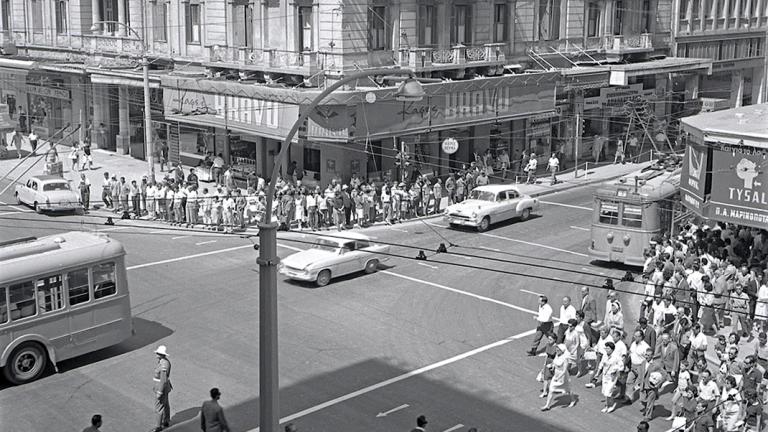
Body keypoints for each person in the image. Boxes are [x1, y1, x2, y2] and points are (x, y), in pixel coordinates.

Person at [541, 343, 577, 410]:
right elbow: (554, 363)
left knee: (568, 389)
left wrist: (558, 378)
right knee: (551, 390)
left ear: (562, 350)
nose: (556, 350)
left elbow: (564, 370)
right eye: (556, 349)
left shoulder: (565, 358)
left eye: (558, 349)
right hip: (556, 375)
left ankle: (573, 400)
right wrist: (552, 366)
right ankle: (547, 405)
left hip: (563, 377)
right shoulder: (557, 355)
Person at [152, 345, 173, 432]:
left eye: (158, 353)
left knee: (159, 406)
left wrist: (159, 392)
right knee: (166, 404)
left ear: (161, 354)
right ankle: (166, 420)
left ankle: (158, 426)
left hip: (161, 387)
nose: (156, 353)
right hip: (163, 386)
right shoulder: (162, 362)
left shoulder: (164, 364)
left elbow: (163, 380)